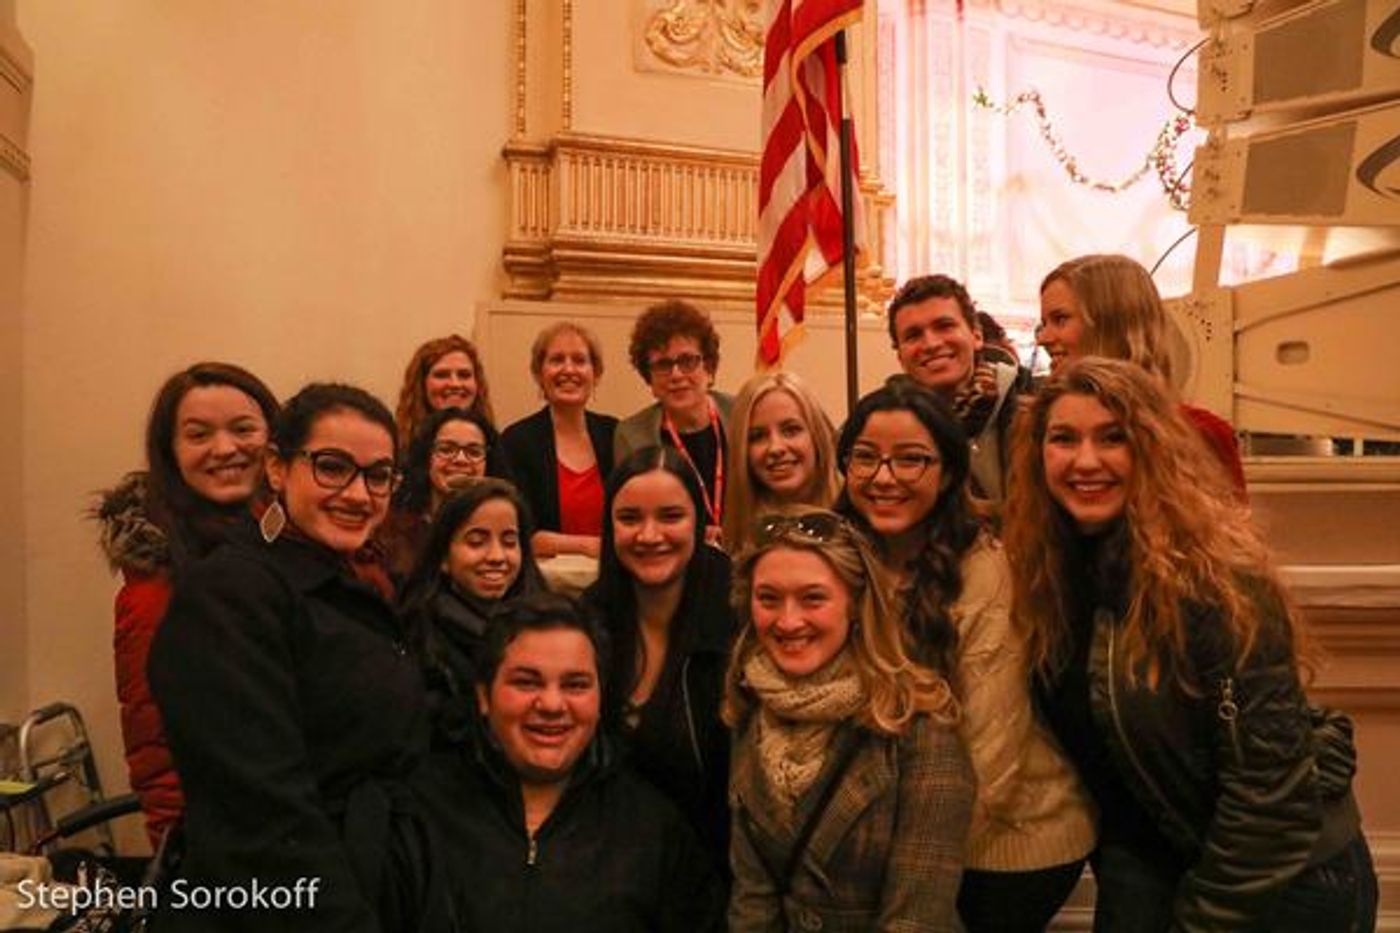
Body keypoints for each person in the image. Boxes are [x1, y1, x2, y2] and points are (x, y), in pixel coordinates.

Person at [1003, 357, 1376, 932]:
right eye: (1063, 439)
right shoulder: (1050, 574)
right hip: (1153, 861)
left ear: (1152, 451)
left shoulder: (1216, 583)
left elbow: (1267, 800)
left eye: (1113, 438)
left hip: (1282, 882)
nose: (1085, 460)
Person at [149, 383, 452, 932]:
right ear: (277, 468)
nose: (359, 494)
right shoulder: (230, 593)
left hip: (370, 874)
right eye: (332, 467)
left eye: (379, 474)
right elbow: (260, 816)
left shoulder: (348, 577)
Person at [835, 379, 1096, 931]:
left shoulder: (986, 572)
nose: (884, 477)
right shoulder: (842, 559)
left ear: (949, 473)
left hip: (1007, 844)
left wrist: (896, 870)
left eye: (911, 460)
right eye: (865, 458)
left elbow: (991, 757)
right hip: (903, 829)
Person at [413, 592, 725, 932]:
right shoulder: (419, 813)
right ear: (484, 696)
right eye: (526, 682)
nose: (551, 704)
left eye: (575, 685)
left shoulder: (654, 832)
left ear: (600, 699)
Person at [725, 508, 975, 931]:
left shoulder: (921, 730)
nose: (787, 621)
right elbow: (753, 898)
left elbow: (916, 919)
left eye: (813, 598)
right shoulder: (751, 709)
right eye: (769, 598)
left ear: (857, 605)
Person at [92, 362, 279, 851]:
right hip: (225, 847)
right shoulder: (155, 586)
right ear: (170, 452)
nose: (225, 449)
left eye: (243, 429)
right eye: (199, 434)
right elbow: (154, 745)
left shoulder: (292, 542)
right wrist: (180, 853)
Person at [583, 445, 735, 871]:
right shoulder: (588, 620)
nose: (649, 536)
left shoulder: (740, 615)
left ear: (700, 523)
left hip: (717, 868)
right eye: (630, 518)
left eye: (671, 516)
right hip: (612, 866)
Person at [1037, 253, 1247, 494]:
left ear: (1113, 326)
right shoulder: (1041, 430)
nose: (1043, 338)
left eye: (1060, 319)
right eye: (1043, 324)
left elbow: (1227, 528)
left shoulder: (1199, 434)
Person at [400, 478, 545, 747]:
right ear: (443, 557)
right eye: (476, 542)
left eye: (510, 542)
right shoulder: (420, 638)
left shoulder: (544, 625)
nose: (497, 556)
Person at [886, 274, 1032, 505]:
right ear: (900, 356)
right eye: (913, 335)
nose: (931, 344)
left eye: (944, 326)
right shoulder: (882, 426)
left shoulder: (1034, 408)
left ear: (976, 336)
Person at [614, 300, 734, 540]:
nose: (676, 375)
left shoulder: (741, 413)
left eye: (688, 361)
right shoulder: (632, 435)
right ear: (649, 380)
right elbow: (634, 513)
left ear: (708, 368)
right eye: (663, 365)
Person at [501, 322, 618, 559]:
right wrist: (588, 547)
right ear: (539, 373)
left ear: (595, 374)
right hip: (544, 586)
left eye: (579, 360)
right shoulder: (516, 442)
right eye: (556, 360)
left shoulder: (615, 434)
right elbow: (519, 533)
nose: (569, 369)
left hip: (614, 581)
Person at [381, 406, 511, 580]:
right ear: (427, 457)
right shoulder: (394, 530)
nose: (460, 460)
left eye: (474, 452)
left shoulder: (505, 528)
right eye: (446, 449)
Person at [720, 370, 840, 552]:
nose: (775, 448)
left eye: (791, 430)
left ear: (817, 437)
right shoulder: (737, 544)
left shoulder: (860, 522)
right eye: (757, 436)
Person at [394, 333, 495, 451]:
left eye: (464, 375)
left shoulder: (495, 448)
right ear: (421, 384)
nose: (455, 384)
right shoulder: (396, 447)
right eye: (442, 375)